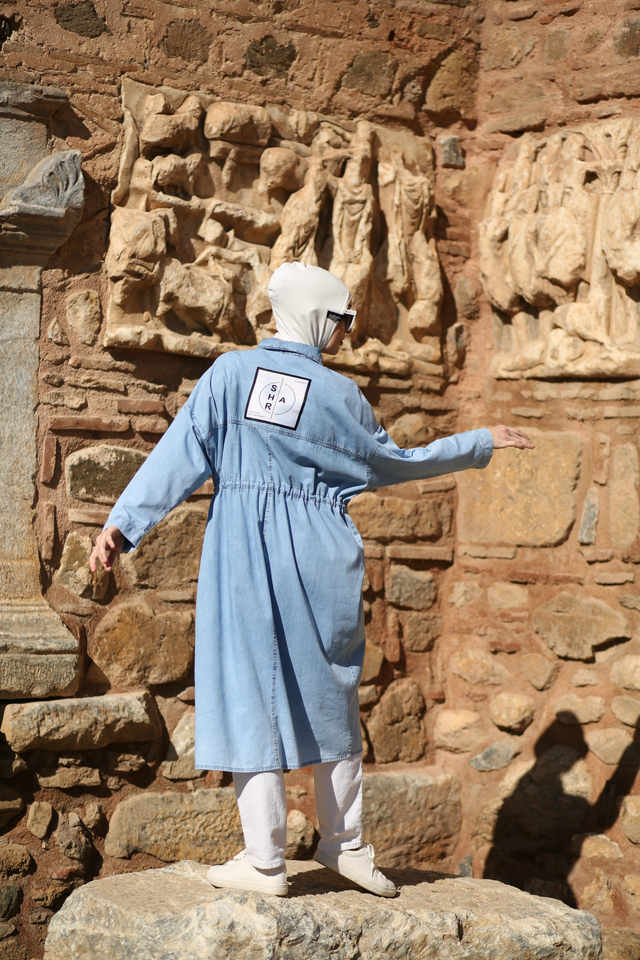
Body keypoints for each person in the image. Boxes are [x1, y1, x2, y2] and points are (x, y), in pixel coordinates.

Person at [90, 261, 533, 899]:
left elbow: (179, 455)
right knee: (332, 689)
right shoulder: (340, 397)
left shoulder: (232, 376)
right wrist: (476, 442)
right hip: (324, 552)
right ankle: (344, 845)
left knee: (249, 688)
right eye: (342, 318)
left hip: (244, 551)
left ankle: (265, 859)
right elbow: (396, 463)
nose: (347, 332)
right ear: (316, 315)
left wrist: (124, 524)